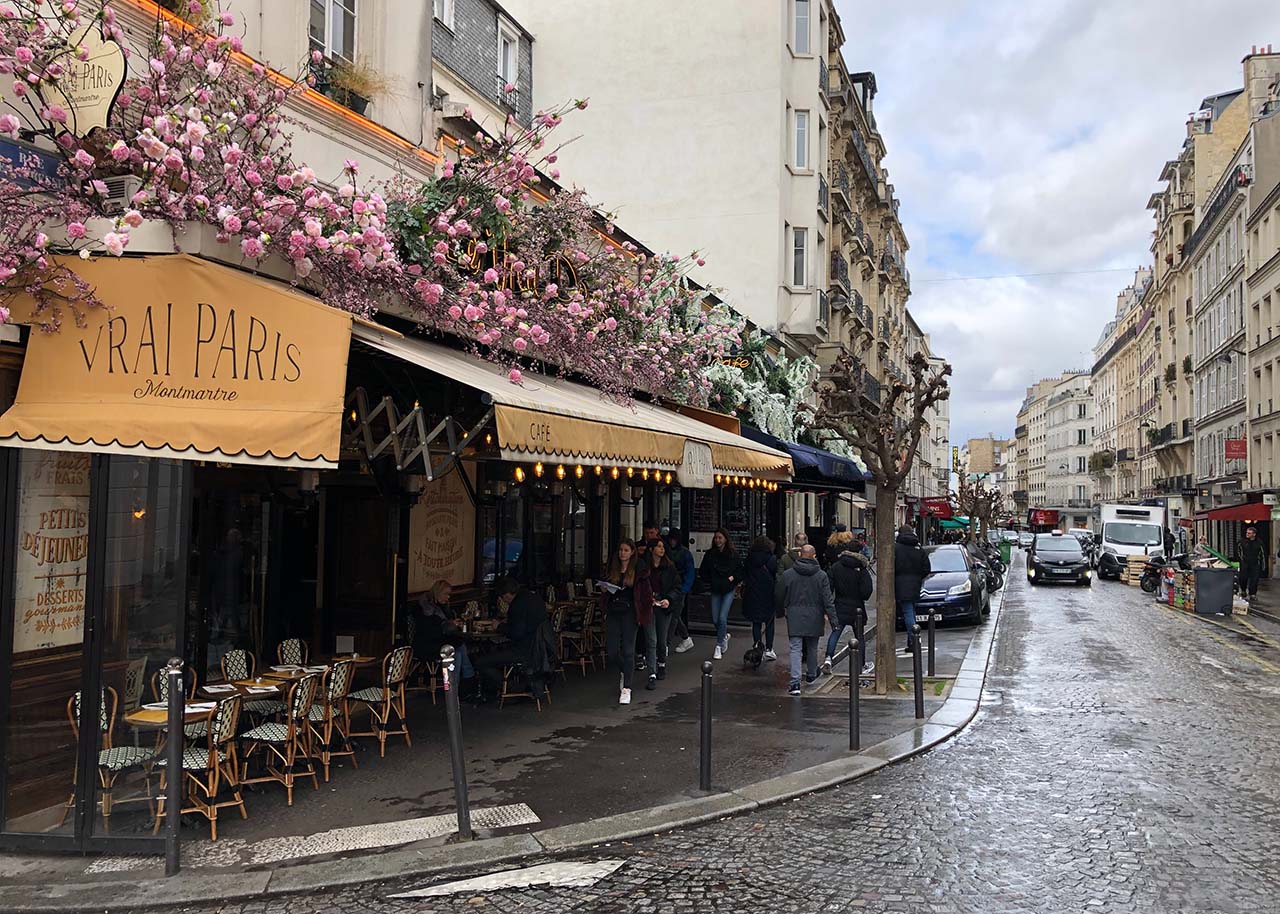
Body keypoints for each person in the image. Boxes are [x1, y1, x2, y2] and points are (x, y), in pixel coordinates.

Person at [474, 577, 548, 700]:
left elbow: (516, 633)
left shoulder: (517, 605)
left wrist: (499, 626)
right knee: (496, 653)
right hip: (540, 649)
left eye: (503, 597)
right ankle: (514, 686)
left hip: (524, 651)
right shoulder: (534, 598)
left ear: (507, 595)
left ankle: (511, 688)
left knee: (481, 662)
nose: (504, 600)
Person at [779, 544, 836, 696]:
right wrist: (833, 620)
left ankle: (795, 682)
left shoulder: (788, 574)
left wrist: (781, 609)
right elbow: (827, 599)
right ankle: (811, 674)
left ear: (800, 556)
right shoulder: (821, 576)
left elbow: (779, 594)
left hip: (794, 614)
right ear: (814, 556)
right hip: (815, 614)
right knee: (812, 646)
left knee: (795, 648)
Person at [602, 539, 652, 704]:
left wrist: (643, 615)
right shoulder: (613, 567)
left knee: (629, 650)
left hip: (631, 612)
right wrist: (606, 589)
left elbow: (645, 594)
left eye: (625, 550)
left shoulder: (639, 570)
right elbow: (606, 590)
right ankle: (625, 669)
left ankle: (627, 688)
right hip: (614, 611)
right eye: (620, 550)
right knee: (612, 650)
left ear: (632, 552)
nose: (622, 553)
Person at [412, 579, 476, 690]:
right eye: (446, 594)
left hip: (439, 640)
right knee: (456, 652)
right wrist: (450, 625)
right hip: (427, 644)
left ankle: (468, 680)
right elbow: (430, 631)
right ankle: (454, 686)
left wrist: (452, 624)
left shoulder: (443, 607)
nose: (448, 597)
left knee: (460, 646)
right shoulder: (425, 609)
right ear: (438, 593)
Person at [823, 545, 874, 675]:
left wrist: (829, 605)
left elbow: (829, 587)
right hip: (857, 607)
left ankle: (828, 659)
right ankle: (861, 664)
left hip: (840, 604)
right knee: (859, 637)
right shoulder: (861, 568)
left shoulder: (836, 566)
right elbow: (867, 590)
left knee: (835, 633)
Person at [699, 529, 742, 660]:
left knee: (722, 617)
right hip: (716, 588)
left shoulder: (733, 555)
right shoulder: (710, 555)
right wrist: (711, 579)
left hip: (728, 588)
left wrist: (733, 578)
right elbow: (703, 570)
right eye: (716, 538)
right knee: (715, 619)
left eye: (720, 538)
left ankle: (719, 645)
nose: (717, 540)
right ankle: (723, 636)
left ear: (725, 539)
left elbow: (740, 570)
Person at [645, 538, 681, 686]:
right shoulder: (644, 567)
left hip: (664, 606)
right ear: (651, 549)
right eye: (658, 547)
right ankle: (651, 673)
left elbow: (677, 587)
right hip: (648, 606)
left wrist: (669, 599)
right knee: (651, 640)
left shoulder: (669, 567)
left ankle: (661, 664)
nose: (662, 549)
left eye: (663, 547)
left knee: (661, 639)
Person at [893, 524, 931, 655]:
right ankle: (911, 640)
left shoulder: (896, 548)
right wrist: (917, 577)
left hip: (900, 583)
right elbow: (927, 568)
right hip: (915, 583)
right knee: (911, 610)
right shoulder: (918, 548)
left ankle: (914, 639)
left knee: (908, 611)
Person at [741, 536, 779, 661]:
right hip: (768, 593)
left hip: (752, 593)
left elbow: (745, 574)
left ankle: (757, 646)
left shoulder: (749, 558)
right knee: (769, 622)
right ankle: (769, 649)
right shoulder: (772, 559)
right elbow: (776, 576)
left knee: (756, 622)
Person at [667, 529, 696, 654]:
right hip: (675, 586)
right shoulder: (683, 553)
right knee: (674, 615)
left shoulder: (684, 554)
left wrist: (684, 589)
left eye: (674, 539)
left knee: (673, 616)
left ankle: (667, 643)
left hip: (678, 587)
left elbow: (690, 573)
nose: (672, 542)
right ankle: (685, 638)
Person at [1238, 525, 1266, 600]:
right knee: (1243, 577)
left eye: (1249, 533)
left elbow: (1263, 554)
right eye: (1247, 533)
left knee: (1254, 579)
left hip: (1255, 562)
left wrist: (1263, 565)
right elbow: (1238, 551)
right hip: (1245, 562)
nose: (1247, 534)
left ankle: (1252, 594)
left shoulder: (1259, 543)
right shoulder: (1242, 542)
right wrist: (1241, 560)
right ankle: (1243, 590)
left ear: (1254, 534)